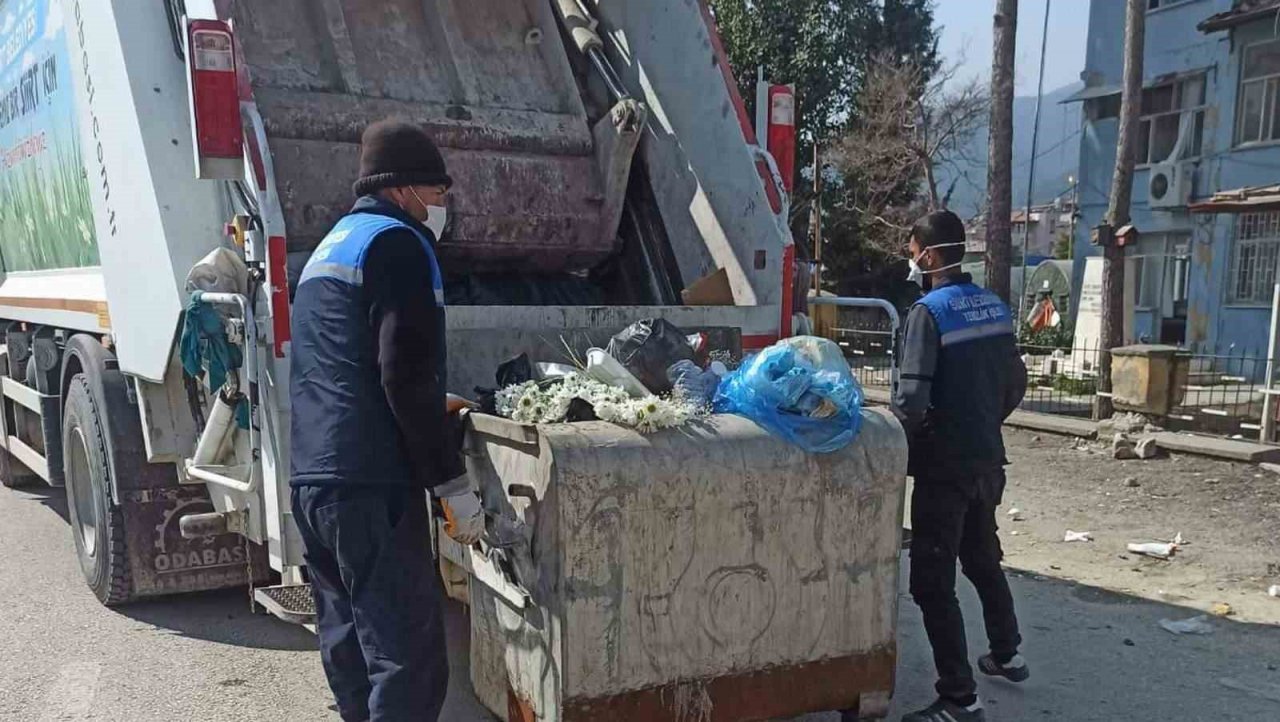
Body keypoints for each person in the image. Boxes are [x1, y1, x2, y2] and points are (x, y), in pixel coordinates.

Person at [288, 119, 485, 722]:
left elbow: (349, 363)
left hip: (314, 483)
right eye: (439, 194)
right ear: (404, 191)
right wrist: (452, 485)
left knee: (350, 646)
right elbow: (401, 376)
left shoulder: (331, 246)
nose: (443, 207)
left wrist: (433, 399)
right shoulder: (398, 244)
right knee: (408, 660)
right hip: (371, 485)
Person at [892, 210, 1029, 722]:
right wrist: (983, 421)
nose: (911, 260)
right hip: (987, 462)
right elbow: (1016, 381)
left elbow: (911, 402)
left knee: (932, 581)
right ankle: (1007, 652)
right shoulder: (993, 306)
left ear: (927, 254)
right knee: (981, 557)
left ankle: (959, 699)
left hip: (943, 470)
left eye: (911, 250)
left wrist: (887, 451)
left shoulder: (928, 313)